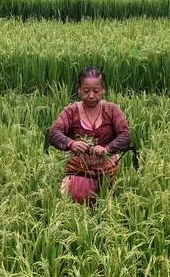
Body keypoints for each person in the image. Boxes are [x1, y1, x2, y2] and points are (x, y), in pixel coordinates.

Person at [48, 67, 132, 205]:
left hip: (108, 169)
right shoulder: (71, 111)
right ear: (79, 90)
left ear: (103, 90)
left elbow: (125, 136)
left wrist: (107, 149)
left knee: (113, 201)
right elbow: (54, 133)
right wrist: (72, 144)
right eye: (86, 91)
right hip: (79, 169)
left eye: (96, 91)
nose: (91, 95)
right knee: (75, 199)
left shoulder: (112, 110)